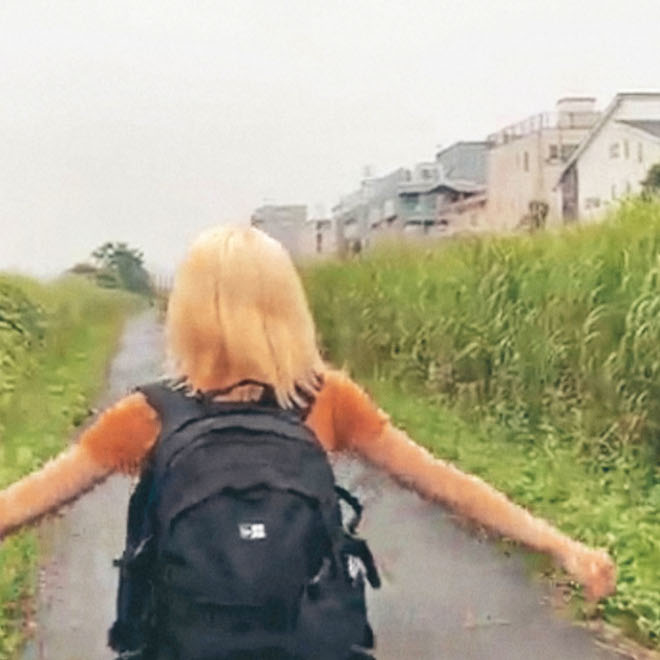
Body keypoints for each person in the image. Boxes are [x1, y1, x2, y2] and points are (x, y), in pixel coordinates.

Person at [0, 226, 615, 656]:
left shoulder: (147, 415)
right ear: (285, 304)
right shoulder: (327, 399)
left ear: (189, 310)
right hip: (307, 642)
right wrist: (559, 543)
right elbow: (445, 484)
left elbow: (28, 500)